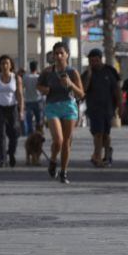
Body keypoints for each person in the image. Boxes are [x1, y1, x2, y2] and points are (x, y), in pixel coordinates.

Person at [38, 42, 84, 184]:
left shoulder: (72, 72)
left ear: (67, 55)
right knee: (58, 140)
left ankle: (63, 172)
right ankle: (53, 160)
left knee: (67, 142)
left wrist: (71, 84)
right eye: (56, 53)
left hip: (69, 107)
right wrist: (44, 90)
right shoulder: (47, 72)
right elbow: (39, 85)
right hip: (52, 107)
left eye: (61, 53)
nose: (58, 56)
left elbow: (81, 94)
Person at [81, 48, 121, 167]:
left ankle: (105, 153)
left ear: (101, 59)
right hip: (94, 108)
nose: (94, 63)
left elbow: (117, 89)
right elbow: (83, 90)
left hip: (108, 107)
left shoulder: (110, 71)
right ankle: (98, 156)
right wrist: (89, 74)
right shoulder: (87, 73)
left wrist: (120, 105)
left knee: (105, 134)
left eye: (96, 60)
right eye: (91, 61)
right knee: (97, 133)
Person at [0, 55, 24, 168]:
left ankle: (11, 153)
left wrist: (21, 110)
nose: (4, 66)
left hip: (12, 107)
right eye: (2, 64)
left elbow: (20, 95)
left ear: (11, 65)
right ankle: (1, 158)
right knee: (0, 134)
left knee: (14, 133)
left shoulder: (16, 78)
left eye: (7, 63)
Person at [23, 60, 44, 136]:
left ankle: (30, 132)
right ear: (36, 68)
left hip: (28, 100)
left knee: (29, 118)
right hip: (38, 100)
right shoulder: (38, 77)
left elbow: (22, 87)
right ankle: (39, 132)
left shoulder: (25, 77)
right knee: (39, 118)